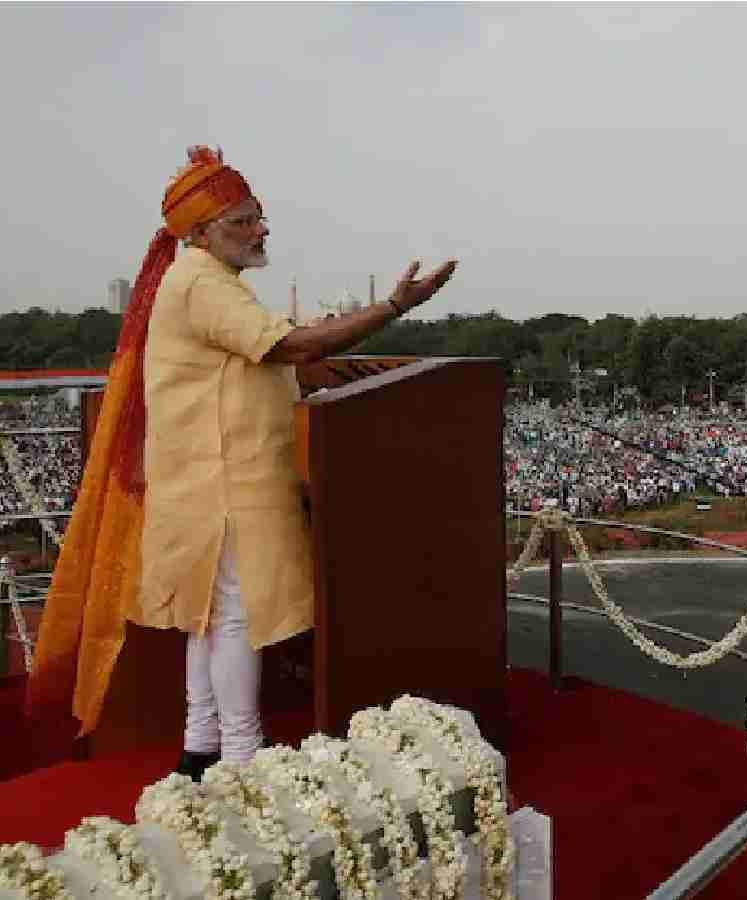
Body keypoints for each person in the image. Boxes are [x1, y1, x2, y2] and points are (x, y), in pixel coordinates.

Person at [27, 147, 455, 780]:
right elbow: (292, 345)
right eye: (242, 221)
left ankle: (203, 747)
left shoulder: (208, 281)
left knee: (207, 617)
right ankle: (243, 758)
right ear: (200, 231)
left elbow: (279, 345)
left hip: (206, 482)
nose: (260, 231)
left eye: (260, 218)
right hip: (221, 485)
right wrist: (394, 307)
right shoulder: (200, 280)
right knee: (233, 616)